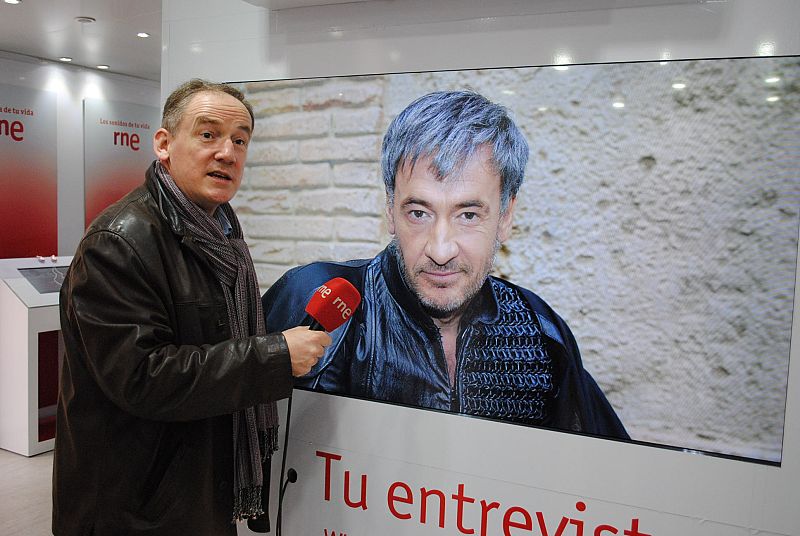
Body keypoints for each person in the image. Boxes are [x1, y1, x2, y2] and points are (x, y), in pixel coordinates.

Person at [262, 90, 628, 439]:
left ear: (506, 216)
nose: (440, 249)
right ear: (391, 210)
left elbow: (604, 480)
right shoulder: (319, 302)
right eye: (419, 212)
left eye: (468, 215)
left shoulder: (540, 333)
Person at [53, 79, 331, 536]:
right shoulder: (119, 242)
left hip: (195, 484)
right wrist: (274, 356)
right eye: (208, 134)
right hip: (133, 499)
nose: (227, 152)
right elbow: (142, 377)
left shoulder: (221, 240)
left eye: (240, 140)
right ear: (164, 144)